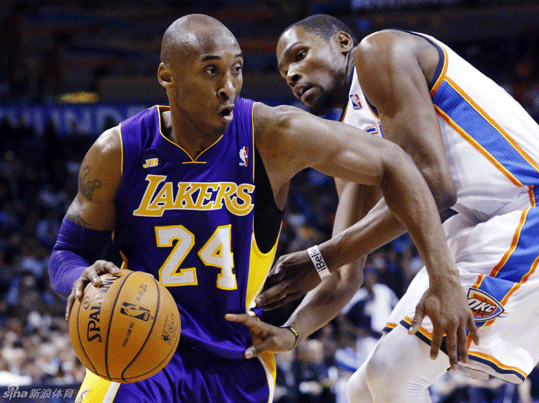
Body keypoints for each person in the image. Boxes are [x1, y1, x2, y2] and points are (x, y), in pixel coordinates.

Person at [47, 14, 467, 403]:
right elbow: (65, 254)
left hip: (238, 356)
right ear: (167, 76)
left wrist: (443, 278)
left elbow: (396, 163)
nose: (229, 84)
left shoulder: (272, 134)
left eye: (237, 68)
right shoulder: (118, 150)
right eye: (211, 70)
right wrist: (78, 278)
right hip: (138, 348)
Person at [228, 14, 539, 403]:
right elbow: (344, 276)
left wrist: (320, 256)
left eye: (299, 55)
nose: (292, 75)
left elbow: (432, 186)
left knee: (393, 375)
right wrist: (293, 333)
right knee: (360, 389)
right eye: (284, 72)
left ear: (343, 42)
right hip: (481, 223)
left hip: (534, 209)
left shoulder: (378, 51)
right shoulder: (350, 141)